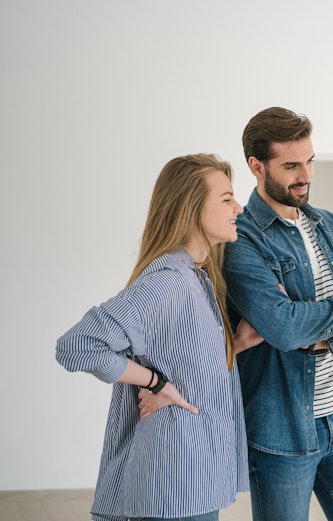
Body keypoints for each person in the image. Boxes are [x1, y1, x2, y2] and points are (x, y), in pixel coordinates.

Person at [55, 154, 262, 521]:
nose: (240, 208)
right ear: (191, 206)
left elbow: (185, 359)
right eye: (227, 198)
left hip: (195, 475)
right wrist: (155, 381)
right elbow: (78, 346)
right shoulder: (168, 280)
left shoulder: (197, 278)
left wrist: (236, 342)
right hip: (172, 479)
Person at [223, 107, 333, 521]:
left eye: (310, 161)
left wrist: (315, 334)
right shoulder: (240, 239)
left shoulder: (332, 227)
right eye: (291, 165)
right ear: (256, 167)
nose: (306, 174)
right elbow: (283, 328)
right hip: (280, 429)